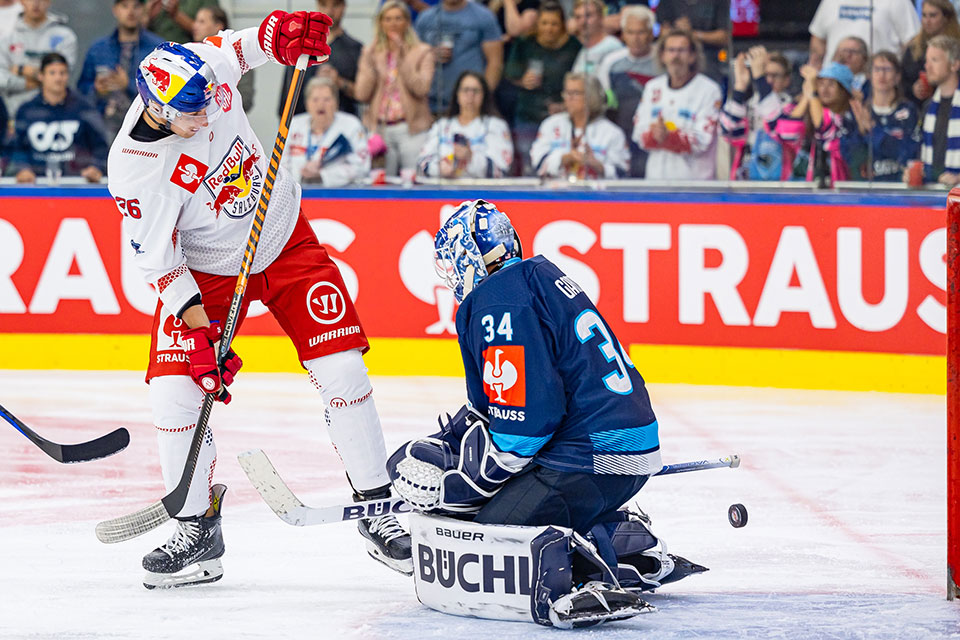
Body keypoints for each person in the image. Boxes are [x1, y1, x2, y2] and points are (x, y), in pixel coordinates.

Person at [105, 10, 412, 589]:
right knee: (174, 394)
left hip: (282, 236)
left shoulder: (204, 73)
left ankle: (378, 507)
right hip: (207, 272)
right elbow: (161, 265)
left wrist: (278, 34)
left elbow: (244, 46)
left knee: (343, 370)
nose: (210, 110)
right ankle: (197, 531)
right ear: (157, 109)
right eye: (193, 112)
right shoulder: (134, 170)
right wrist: (199, 336)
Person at [387, 199, 706, 628]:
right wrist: (452, 443)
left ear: (467, 258)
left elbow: (526, 428)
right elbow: (518, 398)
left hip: (589, 460)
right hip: (620, 450)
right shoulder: (537, 277)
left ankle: (581, 571)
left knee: (480, 535)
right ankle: (625, 544)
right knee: (494, 511)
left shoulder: (499, 300)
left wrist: (456, 487)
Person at [355, 0, 435, 177]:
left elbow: (421, 88)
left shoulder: (422, 51)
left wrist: (402, 58)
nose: (393, 24)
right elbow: (361, 93)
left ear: (407, 22)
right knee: (381, 181)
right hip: (380, 128)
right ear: (380, 23)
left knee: (415, 179)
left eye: (398, 18)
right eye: (388, 19)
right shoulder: (371, 52)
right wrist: (369, 61)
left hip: (411, 128)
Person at [502, 1, 581, 174]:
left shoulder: (574, 47)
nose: (549, 28)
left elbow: (579, 80)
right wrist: (522, 80)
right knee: (529, 164)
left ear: (562, 25)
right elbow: (510, 71)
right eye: (544, 23)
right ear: (538, 23)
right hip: (529, 115)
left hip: (562, 118)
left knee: (561, 164)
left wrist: (564, 105)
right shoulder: (525, 43)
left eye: (554, 23)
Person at [633, 29, 722, 181]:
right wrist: (654, 135)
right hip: (656, 181)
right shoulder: (652, 87)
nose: (675, 56)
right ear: (662, 55)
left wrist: (668, 137)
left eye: (681, 50)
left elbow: (703, 140)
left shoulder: (709, 89)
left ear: (693, 56)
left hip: (695, 184)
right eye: (671, 50)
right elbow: (638, 134)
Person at [8, 53, 107, 183]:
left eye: (63, 73)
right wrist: (22, 169)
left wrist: (97, 167)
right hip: (36, 185)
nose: (58, 78)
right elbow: (16, 146)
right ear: (41, 76)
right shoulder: (26, 110)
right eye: (52, 73)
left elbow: (101, 145)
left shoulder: (84, 108)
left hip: (79, 185)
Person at [78, 0, 165, 143]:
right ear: (115, 10)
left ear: (143, 10)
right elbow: (81, 90)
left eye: (136, 6)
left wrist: (129, 85)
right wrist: (96, 89)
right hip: (102, 126)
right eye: (125, 6)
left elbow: (165, 93)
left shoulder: (157, 49)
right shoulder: (98, 49)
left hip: (145, 128)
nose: (130, 12)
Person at [597, 5, 659, 177]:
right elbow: (604, 101)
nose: (636, 38)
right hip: (621, 136)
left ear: (652, 33)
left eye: (641, 32)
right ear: (623, 35)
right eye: (630, 32)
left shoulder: (663, 61)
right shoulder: (611, 62)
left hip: (656, 137)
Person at [530, 72, 628, 179]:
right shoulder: (551, 125)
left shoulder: (612, 132)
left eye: (575, 93)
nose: (569, 98)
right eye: (567, 92)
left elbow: (622, 174)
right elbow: (537, 162)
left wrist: (596, 164)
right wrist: (565, 158)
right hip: (555, 192)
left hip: (596, 194)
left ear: (591, 96)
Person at [417, 71, 513, 178]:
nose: (470, 95)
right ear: (457, 94)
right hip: (443, 190)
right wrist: (440, 168)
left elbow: (501, 169)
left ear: (484, 95)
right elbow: (422, 163)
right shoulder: (442, 126)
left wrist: (471, 157)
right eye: (465, 90)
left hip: (480, 192)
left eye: (476, 91)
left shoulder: (495, 126)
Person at [415, 0, 503, 114]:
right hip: (431, 106)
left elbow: (495, 62)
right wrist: (430, 55)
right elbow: (413, 61)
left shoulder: (483, 16)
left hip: (469, 106)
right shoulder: (425, 18)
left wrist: (483, 98)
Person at [278, 0, 363, 119]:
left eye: (335, 5)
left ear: (343, 6)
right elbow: (287, 97)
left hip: (344, 127)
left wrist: (339, 82)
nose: (329, 11)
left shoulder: (356, 49)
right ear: (317, 6)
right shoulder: (300, 47)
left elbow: (363, 96)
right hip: (303, 125)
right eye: (324, 5)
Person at [843, 51, 920, 180]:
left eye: (887, 69)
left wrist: (873, 130)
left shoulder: (908, 111)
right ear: (869, 76)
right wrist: (862, 132)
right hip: (864, 189)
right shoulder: (859, 111)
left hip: (899, 186)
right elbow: (851, 159)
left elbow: (908, 153)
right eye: (877, 69)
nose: (882, 75)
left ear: (897, 77)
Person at [720, 46, 793, 180]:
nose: (769, 81)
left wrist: (760, 79)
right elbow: (728, 131)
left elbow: (780, 130)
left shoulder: (794, 108)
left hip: (781, 183)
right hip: (747, 179)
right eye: (765, 75)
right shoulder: (749, 105)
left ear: (787, 79)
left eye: (775, 75)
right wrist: (740, 86)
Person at [282, 77, 369, 185]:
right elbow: (281, 163)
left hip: (336, 195)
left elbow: (362, 166)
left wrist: (323, 175)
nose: (321, 105)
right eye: (315, 99)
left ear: (336, 103)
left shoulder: (352, 126)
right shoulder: (294, 124)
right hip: (297, 192)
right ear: (307, 103)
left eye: (327, 99)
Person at [0, 0, 78, 119]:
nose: (36, 3)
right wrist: (27, 83)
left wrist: (21, 70)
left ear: (49, 1)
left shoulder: (65, 37)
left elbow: (61, 76)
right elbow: (1, 79)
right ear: (21, 1)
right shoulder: (7, 38)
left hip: (55, 115)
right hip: (14, 116)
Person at [789, 62, 857, 183]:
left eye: (831, 84)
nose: (824, 89)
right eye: (821, 84)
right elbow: (789, 129)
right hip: (805, 184)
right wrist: (807, 95)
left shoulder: (849, 117)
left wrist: (813, 93)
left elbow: (824, 126)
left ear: (843, 89)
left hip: (838, 188)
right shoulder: (813, 110)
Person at [808, 0, 919, 69]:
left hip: (878, 84)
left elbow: (913, 41)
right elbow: (818, 37)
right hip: (835, 86)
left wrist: (901, 73)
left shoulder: (898, 2)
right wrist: (816, 66)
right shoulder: (830, 2)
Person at [912, 35, 960, 185]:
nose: (927, 66)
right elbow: (920, 149)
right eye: (927, 61)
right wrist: (913, 173)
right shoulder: (928, 106)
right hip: (932, 192)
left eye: (935, 60)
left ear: (954, 65)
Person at [193, 6, 255, 111]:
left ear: (218, 26)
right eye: (196, 21)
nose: (195, 26)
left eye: (202, 22)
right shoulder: (190, 54)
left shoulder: (238, 57)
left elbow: (246, 99)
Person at [654, 0, 731, 84]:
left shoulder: (719, 1)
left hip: (709, 59)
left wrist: (692, 34)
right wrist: (678, 32)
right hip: (673, 58)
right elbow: (663, 32)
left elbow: (724, 37)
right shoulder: (668, 2)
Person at [903, 0, 960, 108]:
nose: (927, 21)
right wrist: (913, 89)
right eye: (924, 15)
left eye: (933, 15)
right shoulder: (913, 47)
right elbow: (902, 80)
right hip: (917, 108)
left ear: (946, 18)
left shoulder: (957, 47)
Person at [570, 0, 624, 77]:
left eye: (588, 15)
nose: (583, 22)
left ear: (601, 17)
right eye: (578, 17)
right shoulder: (583, 50)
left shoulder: (612, 46)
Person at [143, 0, 219, 44]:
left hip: (185, 53)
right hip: (153, 51)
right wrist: (147, 15)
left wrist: (177, 15)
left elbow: (207, 31)